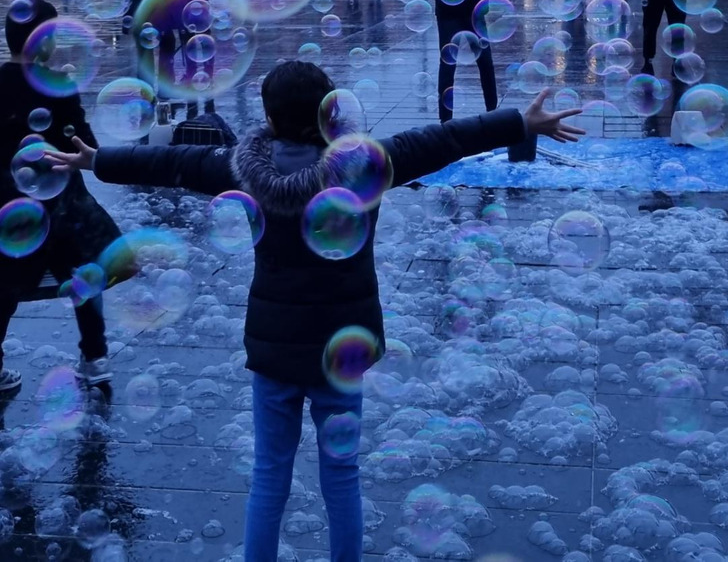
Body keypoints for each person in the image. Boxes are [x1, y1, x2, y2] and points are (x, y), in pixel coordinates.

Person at [48, 60, 585, 562]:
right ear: (330, 110)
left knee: (269, 475)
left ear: (268, 116)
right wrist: (519, 122)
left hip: (274, 349)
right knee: (342, 474)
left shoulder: (238, 171)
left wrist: (97, 160)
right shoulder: (364, 165)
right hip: (341, 346)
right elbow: (443, 140)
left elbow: (172, 163)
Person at [0, 0, 120, 392]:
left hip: (10, 202)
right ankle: (95, 356)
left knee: (3, 286)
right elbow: (83, 142)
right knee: (83, 275)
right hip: (65, 204)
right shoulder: (60, 85)